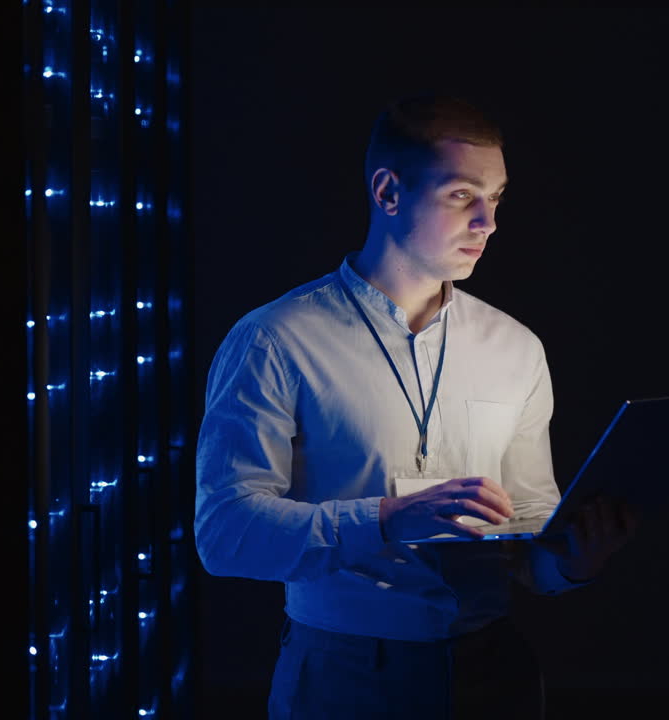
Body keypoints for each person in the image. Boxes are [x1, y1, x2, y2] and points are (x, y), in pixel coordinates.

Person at [194, 94, 642, 719]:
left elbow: (527, 540)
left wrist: (575, 561)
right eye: (463, 195)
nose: (488, 222)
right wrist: (384, 518)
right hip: (342, 676)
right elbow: (225, 535)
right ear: (388, 192)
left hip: (496, 674)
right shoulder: (275, 340)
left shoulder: (516, 347)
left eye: (497, 198)